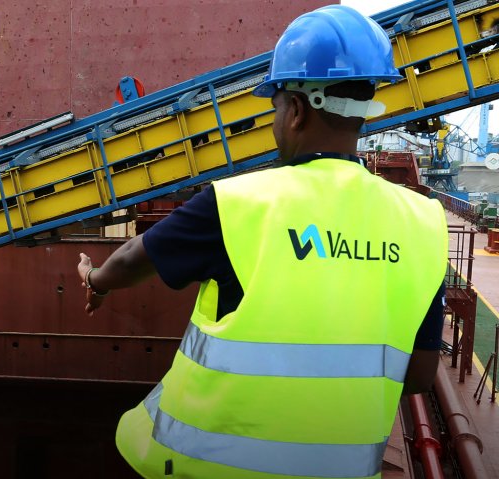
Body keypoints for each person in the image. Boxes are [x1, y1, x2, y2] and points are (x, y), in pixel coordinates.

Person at [76, 5, 449, 478]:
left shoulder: (239, 202)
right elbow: (417, 375)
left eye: (274, 108)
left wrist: (96, 279)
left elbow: (131, 258)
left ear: (294, 111)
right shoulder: (422, 221)